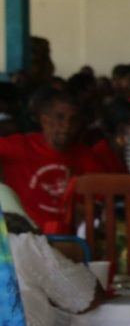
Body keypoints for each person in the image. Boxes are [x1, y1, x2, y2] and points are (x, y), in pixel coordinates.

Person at [0, 88, 102, 232]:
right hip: (24, 236)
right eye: (60, 117)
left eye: (74, 120)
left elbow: (101, 202)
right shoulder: (17, 146)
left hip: (71, 240)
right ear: (44, 120)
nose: (67, 125)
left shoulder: (88, 157)